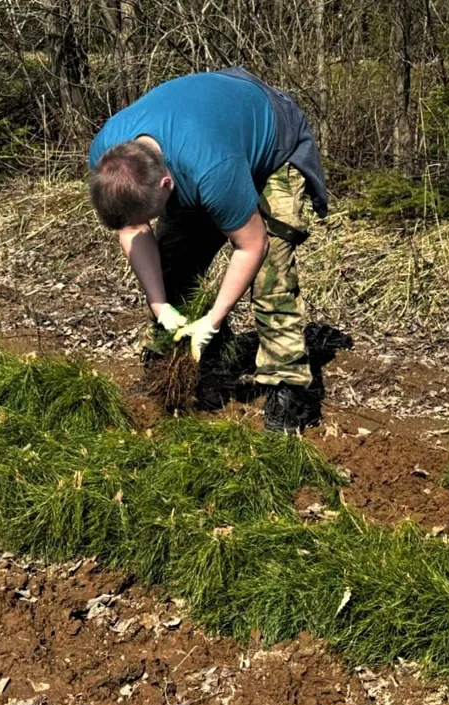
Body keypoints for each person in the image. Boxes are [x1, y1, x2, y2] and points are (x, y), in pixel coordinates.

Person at [87, 67, 328, 433]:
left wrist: (213, 319)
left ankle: (288, 390)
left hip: (272, 138)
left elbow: (252, 245)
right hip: (204, 137)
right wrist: (159, 305)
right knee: (174, 265)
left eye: (151, 213)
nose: (145, 222)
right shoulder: (107, 159)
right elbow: (132, 229)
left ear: (166, 185)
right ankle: (182, 364)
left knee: (271, 276)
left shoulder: (213, 170)